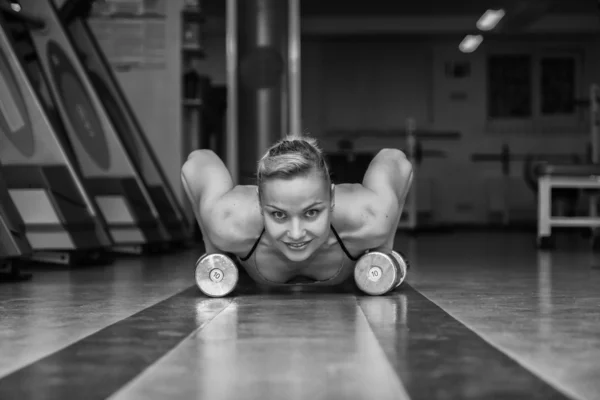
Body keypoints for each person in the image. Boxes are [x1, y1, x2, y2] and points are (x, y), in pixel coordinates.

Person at [181, 135, 413, 286]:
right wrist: (215, 253)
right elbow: (197, 162)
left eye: (311, 213)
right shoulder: (229, 224)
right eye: (279, 215)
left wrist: (383, 253)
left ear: (332, 198)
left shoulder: (369, 219)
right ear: (260, 205)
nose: (296, 233)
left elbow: (395, 159)